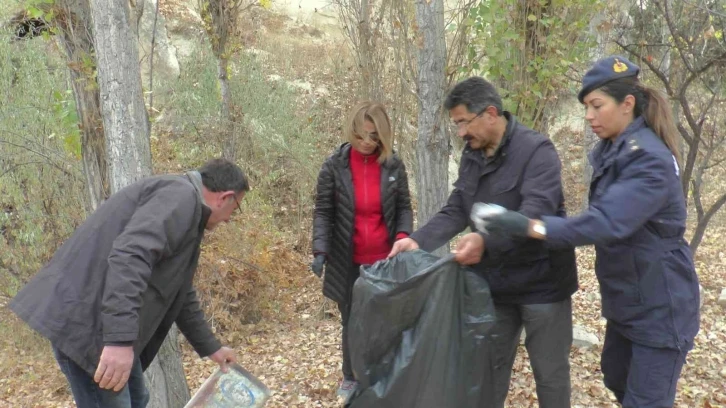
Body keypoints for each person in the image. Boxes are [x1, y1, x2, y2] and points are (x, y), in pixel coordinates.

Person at [477, 55, 700, 407]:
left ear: (627, 104)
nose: (589, 116)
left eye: (597, 106)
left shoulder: (649, 159)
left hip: (660, 303)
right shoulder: (616, 150)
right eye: (586, 107)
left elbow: (606, 221)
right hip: (628, 301)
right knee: (615, 375)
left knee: (646, 400)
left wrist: (531, 226)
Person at [388, 77, 578, 408]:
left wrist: (484, 242)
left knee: (550, 376)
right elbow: (457, 209)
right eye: (456, 124)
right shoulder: (472, 155)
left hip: (544, 286)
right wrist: (417, 241)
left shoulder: (537, 151)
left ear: (490, 113)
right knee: (486, 373)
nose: (460, 132)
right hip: (496, 287)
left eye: (463, 122)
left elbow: (536, 213)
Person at [9, 158, 249, 408]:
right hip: (90, 327)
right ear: (226, 198)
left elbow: (179, 290)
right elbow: (129, 258)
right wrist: (118, 342)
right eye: (236, 208)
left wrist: (211, 347)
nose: (229, 219)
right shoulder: (179, 198)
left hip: (110, 327)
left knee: (136, 400)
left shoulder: (185, 205)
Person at [312, 101, 413, 398]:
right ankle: (350, 376)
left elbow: (404, 207)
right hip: (348, 260)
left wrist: (404, 235)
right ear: (351, 130)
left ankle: (384, 376)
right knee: (351, 321)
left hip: (386, 260)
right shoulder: (334, 165)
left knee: (386, 321)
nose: (366, 142)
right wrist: (320, 250)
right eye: (361, 134)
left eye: (374, 136)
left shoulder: (393, 164)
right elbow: (323, 211)